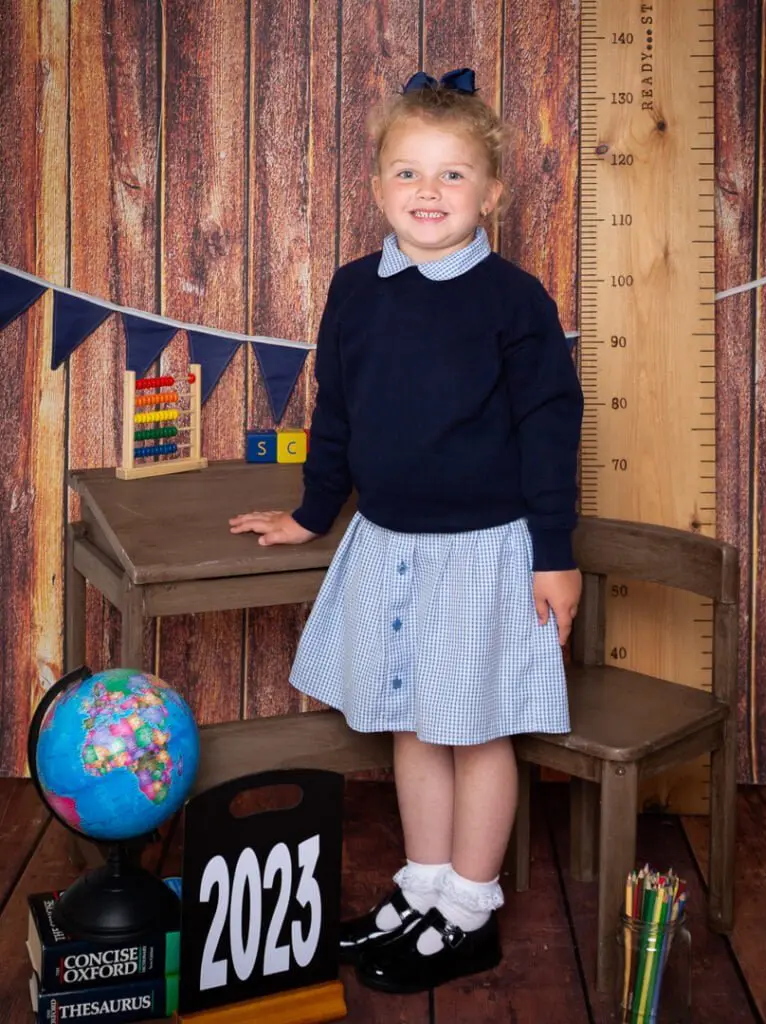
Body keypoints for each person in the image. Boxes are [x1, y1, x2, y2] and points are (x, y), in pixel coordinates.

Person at [229, 67, 584, 994]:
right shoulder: (356, 290)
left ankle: (470, 911)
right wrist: (312, 513)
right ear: (377, 185)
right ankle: (423, 890)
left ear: (492, 192)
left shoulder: (514, 300)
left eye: (453, 174)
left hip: (485, 551)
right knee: (411, 728)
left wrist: (555, 556)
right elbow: (336, 411)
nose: (429, 193)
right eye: (408, 173)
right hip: (386, 543)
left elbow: (551, 428)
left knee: (474, 732)